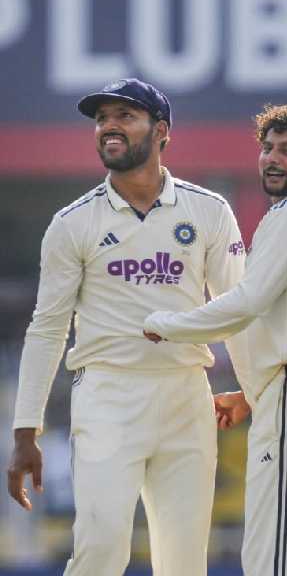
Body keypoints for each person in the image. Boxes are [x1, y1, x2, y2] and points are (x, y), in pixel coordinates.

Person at [5, 78, 249, 575]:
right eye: (101, 119)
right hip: (108, 394)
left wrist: (249, 384)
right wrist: (25, 431)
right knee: (100, 548)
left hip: (186, 395)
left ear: (161, 131)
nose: (109, 127)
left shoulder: (208, 210)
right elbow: (47, 328)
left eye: (124, 117)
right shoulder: (73, 223)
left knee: (183, 562)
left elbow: (238, 306)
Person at [142, 102, 287, 576]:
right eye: (267, 148)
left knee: (276, 560)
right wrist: (253, 390)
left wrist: (164, 324)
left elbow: (247, 302)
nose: (272, 159)